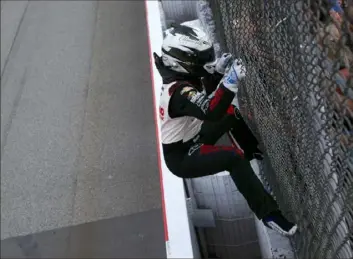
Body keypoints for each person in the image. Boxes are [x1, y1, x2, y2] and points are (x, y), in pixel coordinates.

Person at [153, 21, 298, 236]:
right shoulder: (179, 92)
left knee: (231, 113)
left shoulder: (181, 79)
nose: (208, 61)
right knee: (232, 158)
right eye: (202, 58)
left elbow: (205, 97)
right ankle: (269, 215)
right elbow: (210, 111)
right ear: (182, 62)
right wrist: (230, 81)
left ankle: (253, 152)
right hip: (182, 156)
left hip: (193, 135)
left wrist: (218, 73)